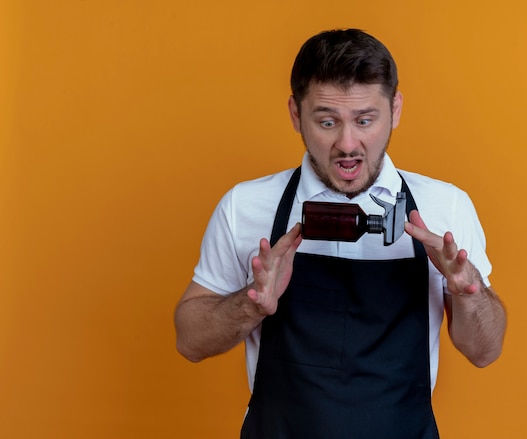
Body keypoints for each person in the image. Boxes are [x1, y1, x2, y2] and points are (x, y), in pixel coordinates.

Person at [175, 28, 507, 439]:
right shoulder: (245, 207)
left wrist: (467, 290)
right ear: (296, 114)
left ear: (396, 110)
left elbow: (485, 351)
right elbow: (190, 340)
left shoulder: (446, 207)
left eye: (365, 120)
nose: (347, 143)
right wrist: (252, 304)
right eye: (327, 121)